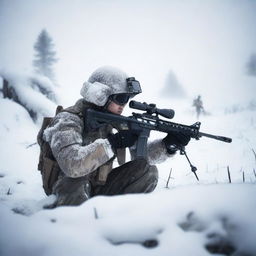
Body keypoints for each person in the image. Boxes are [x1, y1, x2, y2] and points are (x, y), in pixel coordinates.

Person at [43, 66, 190, 207]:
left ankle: (118, 219)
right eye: (121, 98)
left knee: (148, 170)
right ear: (100, 95)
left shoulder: (112, 121)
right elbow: (72, 164)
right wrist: (113, 143)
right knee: (76, 182)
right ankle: (75, 224)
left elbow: (143, 157)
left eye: (127, 99)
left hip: (99, 188)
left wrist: (168, 146)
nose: (124, 105)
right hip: (67, 191)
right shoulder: (68, 120)